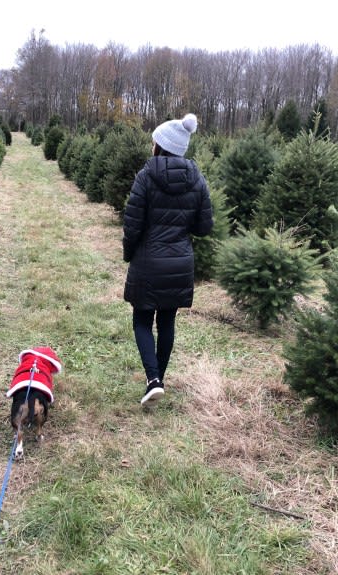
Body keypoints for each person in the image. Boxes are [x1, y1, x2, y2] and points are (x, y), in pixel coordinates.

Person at [122, 113, 214, 406]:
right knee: (167, 321)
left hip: (148, 260)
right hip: (180, 262)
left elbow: (132, 223)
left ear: (160, 146)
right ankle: (157, 379)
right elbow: (204, 227)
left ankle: (153, 380)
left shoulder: (146, 175)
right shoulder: (197, 178)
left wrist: (129, 253)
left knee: (141, 320)